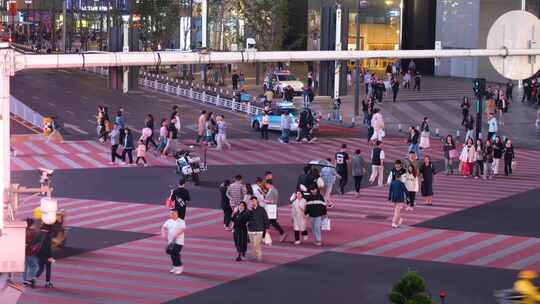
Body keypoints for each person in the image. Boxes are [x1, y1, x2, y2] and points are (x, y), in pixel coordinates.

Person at [161, 209, 186, 275]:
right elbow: (163, 227)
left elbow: (182, 229)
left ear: (176, 214)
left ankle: (179, 268)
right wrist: (163, 233)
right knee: (172, 254)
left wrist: (176, 234)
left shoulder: (181, 221)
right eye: (171, 213)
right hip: (171, 242)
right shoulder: (168, 221)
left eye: (173, 213)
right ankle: (175, 267)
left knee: (175, 254)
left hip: (179, 242)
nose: (172, 215)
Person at [246, 196, 270, 261]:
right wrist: (249, 210)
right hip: (251, 230)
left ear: (257, 201)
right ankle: (254, 255)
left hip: (259, 230)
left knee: (257, 243)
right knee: (252, 244)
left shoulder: (261, 209)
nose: (253, 202)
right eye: (251, 201)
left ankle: (259, 256)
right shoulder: (249, 210)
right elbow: (246, 219)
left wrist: (267, 229)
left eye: (254, 201)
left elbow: (266, 219)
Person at [23, 218, 38, 287]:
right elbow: (36, 241)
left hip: (23, 251)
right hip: (30, 251)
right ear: (32, 224)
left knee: (25, 266)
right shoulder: (33, 231)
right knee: (33, 266)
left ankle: (24, 280)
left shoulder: (22, 231)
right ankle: (30, 279)